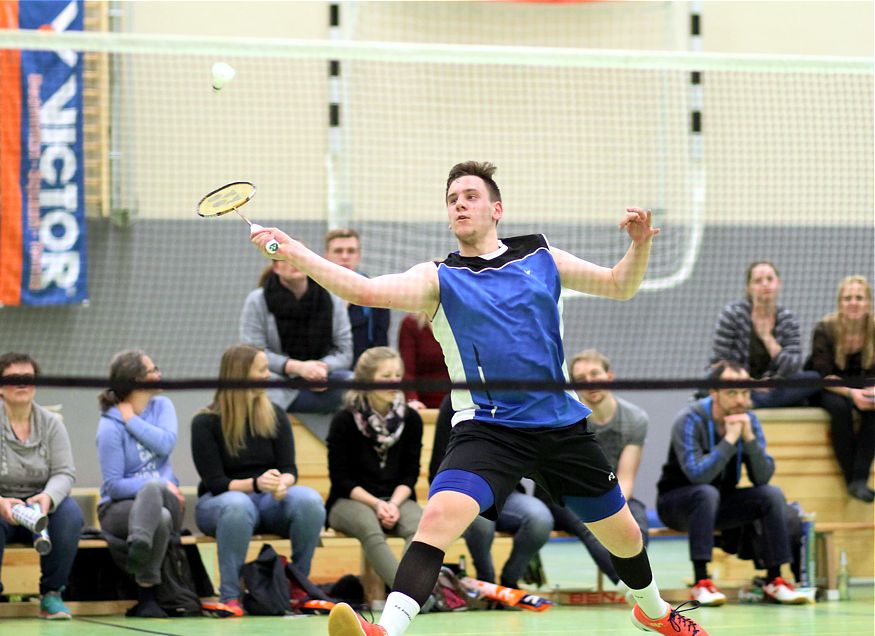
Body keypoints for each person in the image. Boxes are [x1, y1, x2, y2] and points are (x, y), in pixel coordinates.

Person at [252, 161, 709, 636]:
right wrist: (296, 251)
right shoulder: (439, 277)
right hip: (488, 427)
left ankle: (654, 612)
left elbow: (619, 285)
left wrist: (640, 246)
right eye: (452, 200)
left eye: (470, 196)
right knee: (438, 519)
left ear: (497, 209)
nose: (459, 205)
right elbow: (365, 291)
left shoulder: (541, 256)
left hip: (558, 423)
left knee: (626, 535)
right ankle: (384, 630)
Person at [656, 360, 809, 607]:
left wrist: (748, 439)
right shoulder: (689, 419)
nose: (740, 400)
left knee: (770, 494)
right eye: (732, 392)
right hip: (676, 504)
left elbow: (763, 477)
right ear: (714, 392)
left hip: (719, 503)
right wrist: (729, 440)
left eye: (745, 392)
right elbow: (698, 476)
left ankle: (775, 580)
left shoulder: (749, 420)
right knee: (705, 492)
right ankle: (701, 583)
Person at [191, 344, 326, 617]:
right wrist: (256, 484)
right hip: (220, 504)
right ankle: (229, 596)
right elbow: (216, 482)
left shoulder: (275, 414)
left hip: (268, 500)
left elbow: (290, 469)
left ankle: (298, 588)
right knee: (238, 505)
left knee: (309, 500)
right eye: (262, 370)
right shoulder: (205, 422)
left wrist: (281, 484)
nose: (268, 375)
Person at [543, 349, 649, 589]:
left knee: (637, 520)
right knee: (590, 525)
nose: (590, 383)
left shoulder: (635, 419)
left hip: (613, 489)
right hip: (567, 494)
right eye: (581, 378)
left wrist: (617, 509)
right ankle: (632, 588)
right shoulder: (568, 419)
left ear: (609, 376)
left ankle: (638, 581)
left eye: (595, 374)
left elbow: (627, 476)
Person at [429, 394, 553, 592]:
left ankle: (510, 581)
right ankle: (486, 581)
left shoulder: (514, 400)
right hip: (465, 493)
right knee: (482, 524)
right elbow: (439, 459)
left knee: (540, 519)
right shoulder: (453, 402)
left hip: (507, 493)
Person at [96, 349, 184, 618]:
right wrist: (155, 484)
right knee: (160, 515)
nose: (159, 374)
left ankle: (139, 543)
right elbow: (114, 486)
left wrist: (131, 421)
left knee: (157, 496)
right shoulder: (109, 427)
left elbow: (166, 443)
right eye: (152, 370)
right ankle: (147, 597)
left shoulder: (163, 406)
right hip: (120, 509)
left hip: (167, 496)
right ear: (136, 379)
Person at [326, 347, 423, 589]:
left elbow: (410, 474)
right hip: (350, 500)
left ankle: (415, 592)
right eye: (386, 376)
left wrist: (392, 504)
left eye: (397, 375)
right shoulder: (344, 420)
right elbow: (341, 479)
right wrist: (378, 504)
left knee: (421, 527)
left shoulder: (411, 419)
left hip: (397, 498)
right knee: (370, 528)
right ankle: (410, 595)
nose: (394, 382)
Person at [0, 352, 82, 620]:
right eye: (14, 378)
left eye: (28, 377)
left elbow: (64, 472)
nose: (22, 383)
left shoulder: (51, 424)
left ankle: (52, 595)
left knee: (70, 514)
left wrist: (47, 497)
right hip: (2, 506)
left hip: (40, 509)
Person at [240, 258, 353, 414]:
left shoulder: (332, 299)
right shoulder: (257, 300)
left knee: (355, 384)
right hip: (278, 380)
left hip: (323, 379)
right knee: (259, 391)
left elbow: (345, 353)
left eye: (300, 258)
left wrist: (320, 369)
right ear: (276, 267)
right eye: (288, 259)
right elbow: (253, 352)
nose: (296, 263)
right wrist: (298, 368)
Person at [708, 261, 819, 408]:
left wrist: (767, 338)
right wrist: (751, 383)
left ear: (779, 283)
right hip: (738, 384)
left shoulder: (788, 319)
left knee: (814, 379)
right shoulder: (732, 314)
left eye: (769, 279)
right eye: (758, 281)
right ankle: (752, 400)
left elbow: (792, 366)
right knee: (709, 380)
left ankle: (753, 402)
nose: (765, 284)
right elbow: (720, 361)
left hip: (773, 386)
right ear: (749, 288)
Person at [806, 275, 875, 503]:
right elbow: (824, 374)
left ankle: (860, 480)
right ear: (839, 303)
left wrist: (870, 394)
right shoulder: (825, 329)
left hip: (864, 387)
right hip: (829, 387)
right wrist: (852, 394)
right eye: (847, 298)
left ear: (868, 303)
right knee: (840, 409)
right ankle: (850, 480)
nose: (853, 303)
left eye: (859, 298)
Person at [325, 229, 391, 366]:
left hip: (363, 376)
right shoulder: (313, 292)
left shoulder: (377, 291)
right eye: (338, 251)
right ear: (326, 255)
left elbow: (381, 343)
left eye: (351, 251)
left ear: (359, 255)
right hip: (323, 373)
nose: (345, 256)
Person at [398, 312, 449, 410]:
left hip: (456, 403)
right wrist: (412, 399)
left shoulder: (460, 324)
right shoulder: (411, 324)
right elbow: (407, 371)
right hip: (423, 405)